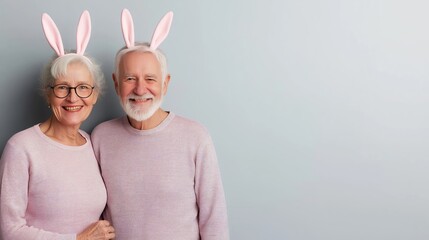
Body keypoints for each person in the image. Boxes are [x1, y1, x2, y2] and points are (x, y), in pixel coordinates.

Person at [91, 9, 229, 239]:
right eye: (130, 78)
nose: (140, 89)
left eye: (150, 79)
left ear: (165, 84)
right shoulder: (101, 137)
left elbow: (214, 219)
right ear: (116, 84)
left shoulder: (195, 136)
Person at [0, 11, 115, 240]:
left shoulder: (93, 144)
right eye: (62, 87)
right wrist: (78, 239)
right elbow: (9, 231)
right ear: (48, 93)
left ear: (95, 95)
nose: (73, 98)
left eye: (83, 87)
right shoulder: (21, 147)